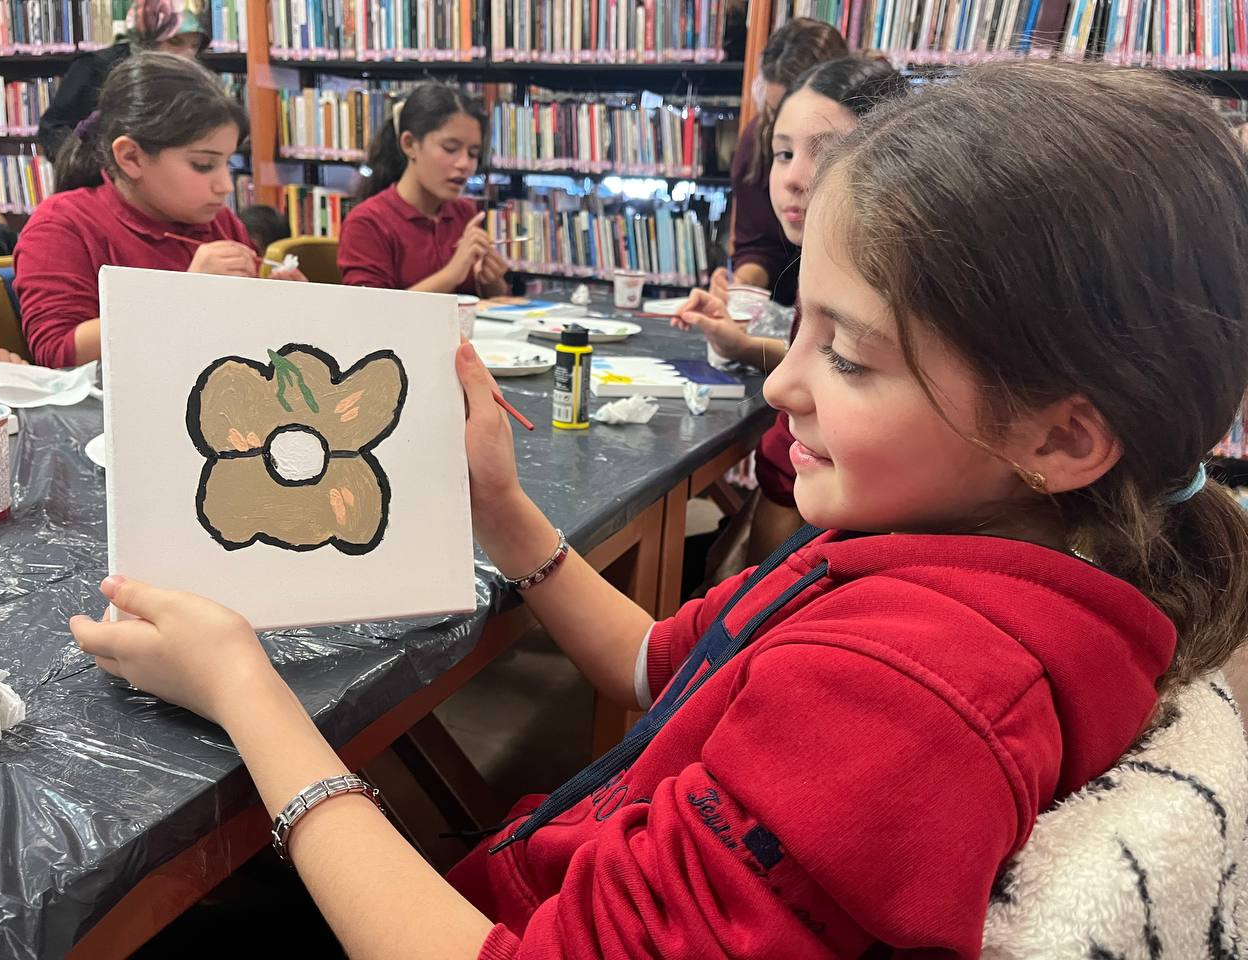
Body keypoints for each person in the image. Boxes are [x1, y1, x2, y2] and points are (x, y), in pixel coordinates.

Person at [69, 62, 1248, 957]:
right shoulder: (936, 558)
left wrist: (247, 688)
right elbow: (653, 664)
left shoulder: (903, 700)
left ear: (1057, 438)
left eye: (847, 356)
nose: (782, 384)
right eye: (801, 328)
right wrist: (500, 511)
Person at [677, 57, 910, 561]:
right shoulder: (824, 266)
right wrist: (742, 345)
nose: (795, 177)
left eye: (828, 153)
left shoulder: (886, 288)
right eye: (783, 153)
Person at [15, 53, 302, 370]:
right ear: (131, 157)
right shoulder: (62, 225)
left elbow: (239, 339)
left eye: (228, 164)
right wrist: (184, 294)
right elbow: (59, 353)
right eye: (203, 165)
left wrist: (281, 308)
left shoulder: (219, 222)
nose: (225, 185)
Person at [337, 83, 507, 296]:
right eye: (450, 149)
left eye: (473, 154)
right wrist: (453, 273)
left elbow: (494, 303)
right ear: (409, 144)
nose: (465, 164)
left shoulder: (464, 213)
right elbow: (372, 312)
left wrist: (493, 280)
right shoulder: (367, 223)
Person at [722, 17, 846, 306]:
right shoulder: (757, 141)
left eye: (819, 149)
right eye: (784, 154)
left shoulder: (870, 154)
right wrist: (741, 287)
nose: (792, 179)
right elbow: (759, 246)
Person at [37, 0, 211, 159]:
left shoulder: (195, 80)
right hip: (101, 176)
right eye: (175, 41)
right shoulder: (95, 66)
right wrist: (86, 164)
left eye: (195, 45)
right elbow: (52, 129)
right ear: (147, 37)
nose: (186, 55)